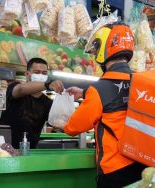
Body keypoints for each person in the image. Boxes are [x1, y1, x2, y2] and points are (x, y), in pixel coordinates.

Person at [60, 23, 147, 188]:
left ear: (104, 49)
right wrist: (85, 92)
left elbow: (74, 127)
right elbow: (116, 96)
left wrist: (61, 121)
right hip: (141, 165)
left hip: (114, 170)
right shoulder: (142, 83)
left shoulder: (98, 89)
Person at [0, 58, 64, 149]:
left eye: (44, 73)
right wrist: (47, 85)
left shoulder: (47, 102)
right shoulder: (15, 88)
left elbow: (57, 123)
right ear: (27, 74)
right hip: (5, 150)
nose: (41, 75)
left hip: (29, 151)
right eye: (37, 72)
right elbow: (21, 89)